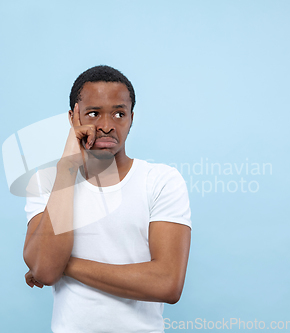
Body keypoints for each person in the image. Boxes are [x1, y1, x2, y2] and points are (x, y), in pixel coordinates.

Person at [22, 65, 192, 332]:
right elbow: (45, 270)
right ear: (72, 117)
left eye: (119, 113)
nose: (106, 125)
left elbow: (168, 284)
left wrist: (63, 264)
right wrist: (67, 170)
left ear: (132, 118)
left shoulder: (161, 181)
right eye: (93, 113)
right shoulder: (46, 182)